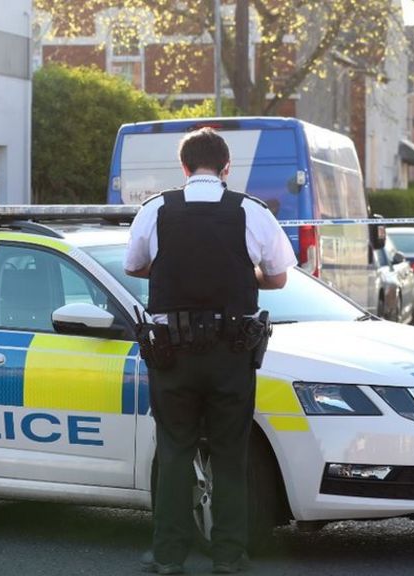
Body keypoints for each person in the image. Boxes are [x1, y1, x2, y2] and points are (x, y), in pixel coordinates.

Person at [123, 128, 296, 575]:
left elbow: (134, 265)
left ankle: (167, 556)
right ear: (226, 168)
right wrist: (241, 272)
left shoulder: (156, 209)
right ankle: (229, 555)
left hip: (172, 356)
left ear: (183, 168)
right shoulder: (251, 212)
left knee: (176, 451)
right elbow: (278, 278)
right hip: (231, 353)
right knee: (229, 454)